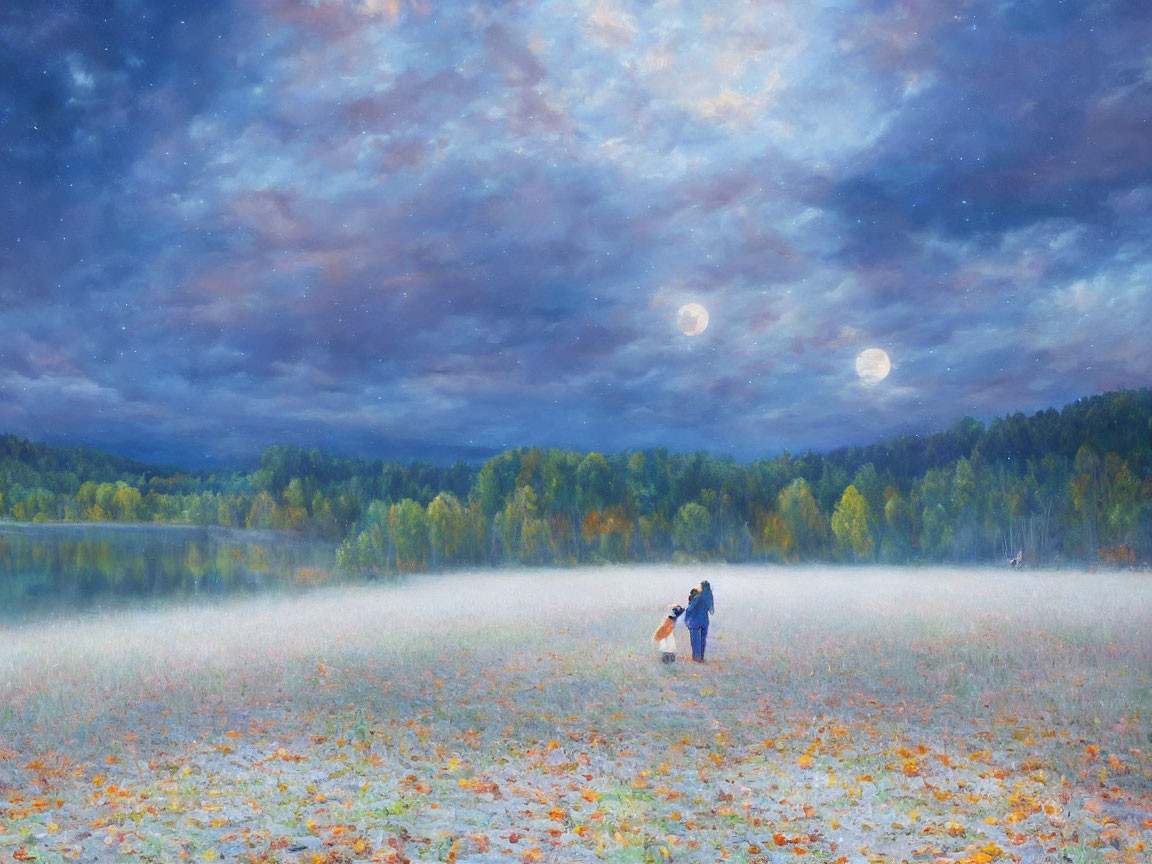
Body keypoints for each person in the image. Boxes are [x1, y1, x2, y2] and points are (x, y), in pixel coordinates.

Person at [684, 585, 711, 662]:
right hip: (705, 621)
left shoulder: (696, 598)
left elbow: (690, 609)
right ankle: (701, 657)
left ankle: (696, 657)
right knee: (703, 640)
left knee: (695, 640)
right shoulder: (706, 599)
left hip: (695, 622)